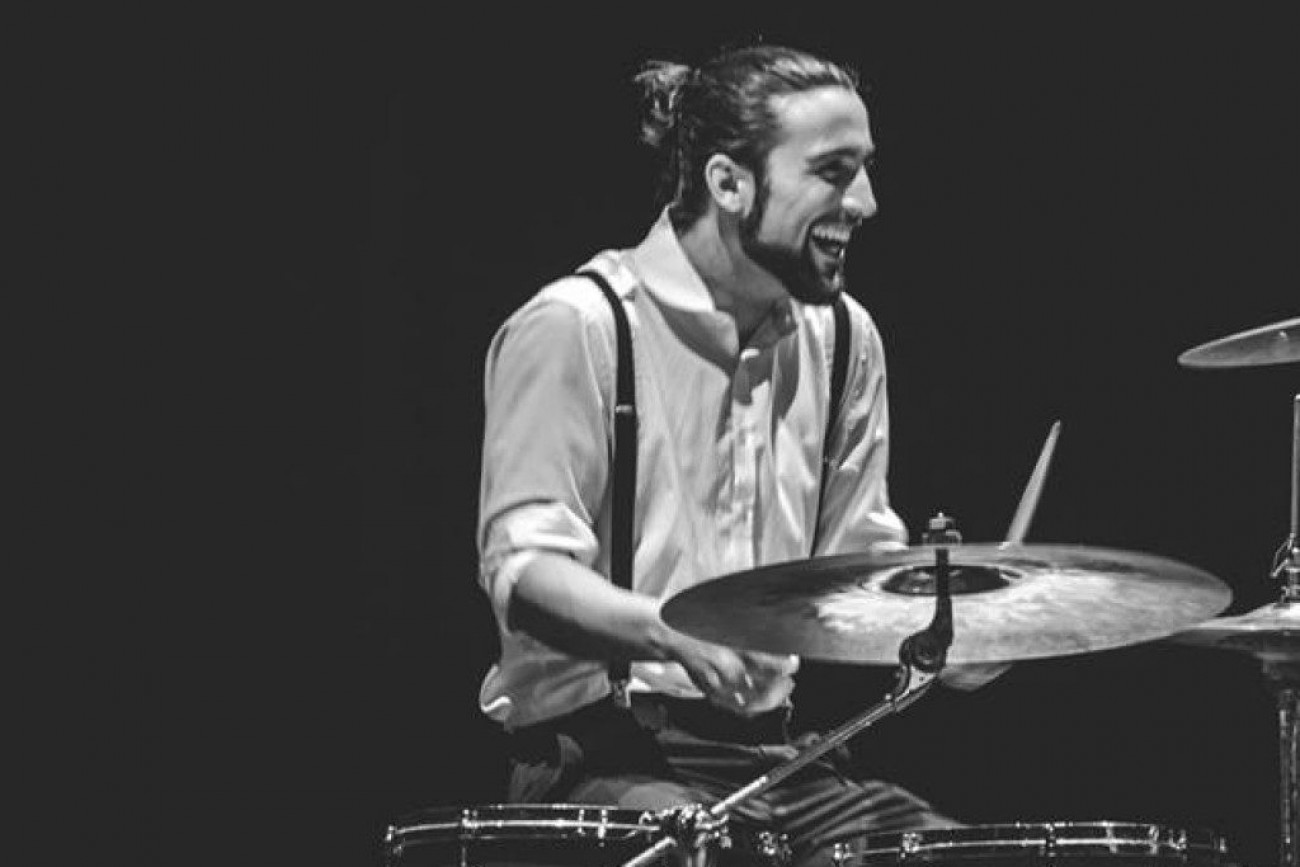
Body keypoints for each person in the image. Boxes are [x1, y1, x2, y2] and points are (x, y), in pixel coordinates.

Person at [475, 42, 995, 867]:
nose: (865, 201)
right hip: (600, 754)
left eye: (865, 169)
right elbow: (525, 573)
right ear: (728, 183)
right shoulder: (578, 325)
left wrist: (949, 622)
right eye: (833, 172)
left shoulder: (845, 337)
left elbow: (852, 565)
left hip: (777, 759)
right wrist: (669, 632)